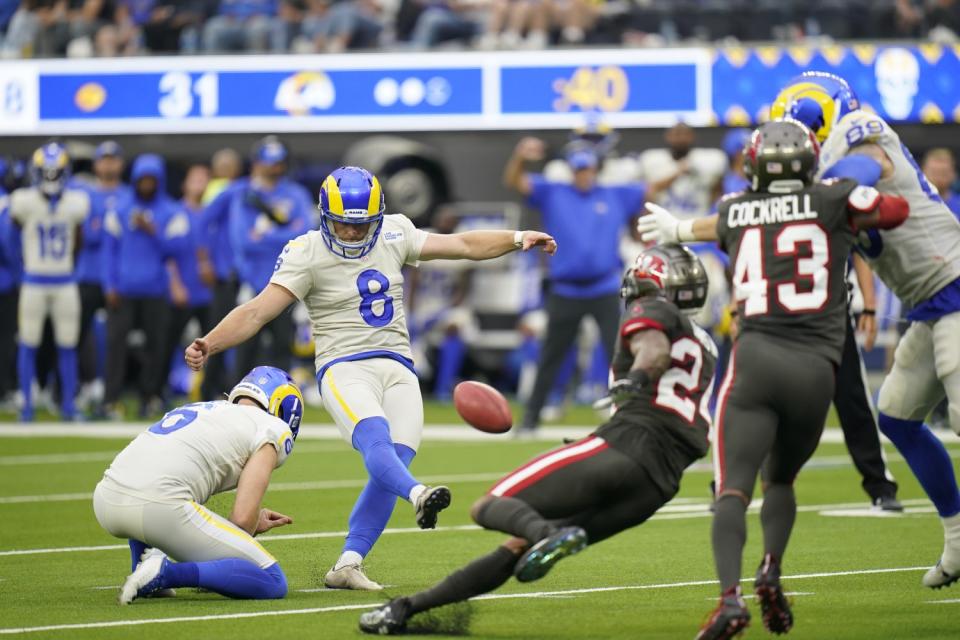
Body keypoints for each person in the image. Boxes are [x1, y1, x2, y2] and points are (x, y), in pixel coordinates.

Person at [185, 165, 556, 591]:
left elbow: (464, 245)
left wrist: (516, 238)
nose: (351, 235)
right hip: (344, 366)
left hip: (398, 365)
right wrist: (209, 343)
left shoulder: (395, 232)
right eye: (342, 224)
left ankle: (348, 563)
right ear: (325, 216)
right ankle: (418, 495)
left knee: (395, 460)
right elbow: (256, 311)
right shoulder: (306, 251)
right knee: (377, 442)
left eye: (361, 226)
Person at [637, 119, 910, 639]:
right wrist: (856, 187)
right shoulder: (834, 198)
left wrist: (673, 229)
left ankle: (728, 600)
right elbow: (894, 212)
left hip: (758, 358)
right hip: (817, 369)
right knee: (781, 480)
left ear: (755, 163)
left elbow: (707, 227)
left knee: (734, 490)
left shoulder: (738, 208)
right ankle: (771, 569)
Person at [357, 243, 716, 635]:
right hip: (659, 483)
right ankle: (406, 611)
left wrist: (638, 377)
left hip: (625, 446)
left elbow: (654, 349)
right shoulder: (706, 345)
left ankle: (549, 533)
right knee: (516, 548)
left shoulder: (652, 311)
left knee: (490, 506)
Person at [772, 71, 960, 590]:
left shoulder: (858, 127)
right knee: (897, 418)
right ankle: (958, 538)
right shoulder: (819, 176)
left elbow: (871, 165)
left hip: (956, 283)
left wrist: (825, 188)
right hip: (928, 303)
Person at [92, 366, 302, 604]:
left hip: (106, 499)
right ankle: (164, 574)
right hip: (157, 507)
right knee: (273, 580)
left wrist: (252, 518)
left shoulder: (200, 408)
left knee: (160, 482)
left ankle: (141, 566)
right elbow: (243, 519)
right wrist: (249, 521)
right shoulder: (273, 428)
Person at [504, 137, 644, 435]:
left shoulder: (613, 194)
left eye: (588, 169)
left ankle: (633, 415)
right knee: (551, 357)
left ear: (596, 169)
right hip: (566, 289)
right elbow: (516, 181)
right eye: (579, 170)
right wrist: (520, 156)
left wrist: (680, 169)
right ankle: (530, 420)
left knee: (618, 353)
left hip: (603, 287)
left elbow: (651, 190)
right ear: (571, 171)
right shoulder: (554, 192)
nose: (585, 175)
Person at [201, 136, 312, 384]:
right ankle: (237, 401)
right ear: (256, 163)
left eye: (278, 162)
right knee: (244, 348)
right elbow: (243, 239)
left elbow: (305, 231)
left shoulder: (295, 193)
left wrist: (265, 234)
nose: (273, 167)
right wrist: (208, 259)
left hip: (287, 282)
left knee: (284, 346)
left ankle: (282, 400)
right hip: (249, 281)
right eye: (267, 162)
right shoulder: (242, 192)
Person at [10, 143, 90, 421]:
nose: (52, 178)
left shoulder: (77, 202)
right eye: (48, 172)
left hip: (64, 281)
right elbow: (11, 236)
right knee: (28, 342)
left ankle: (68, 404)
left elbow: (79, 240)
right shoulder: (23, 201)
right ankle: (26, 405)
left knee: (67, 343)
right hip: (34, 280)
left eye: (57, 173)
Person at [102, 153, 185, 418]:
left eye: (152, 179)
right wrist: (109, 286)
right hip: (124, 290)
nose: (146, 184)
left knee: (156, 348)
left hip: (156, 290)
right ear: (136, 180)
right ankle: (110, 399)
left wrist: (153, 230)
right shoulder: (120, 208)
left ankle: (150, 397)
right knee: (116, 346)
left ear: (159, 181)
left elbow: (177, 250)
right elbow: (109, 251)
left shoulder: (170, 211)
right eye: (143, 179)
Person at [74, 141, 132, 414]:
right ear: (97, 164)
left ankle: (108, 395)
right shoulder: (82, 193)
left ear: (120, 164)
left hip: (117, 280)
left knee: (114, 340)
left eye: (113, 159)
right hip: (86, 274)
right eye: (104, 159)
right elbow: (87, 235)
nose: (109, 164)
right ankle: (72, 391)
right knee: (73, 335)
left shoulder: (129, 194)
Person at [162, 164, 213, 400]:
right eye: (195, 179)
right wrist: (175, 284)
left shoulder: (211, 213)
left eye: (204, 180)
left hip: (207, 291)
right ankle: (159, 391)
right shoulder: (175, 212)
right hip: (184, 289)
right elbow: (168, 254)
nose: (199, 185)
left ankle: (209, 391)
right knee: (167, 341)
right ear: (185, 184)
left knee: (213, 343)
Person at [922, 147, 960, 216]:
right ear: (923, 173)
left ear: (953, 174)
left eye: (943, 173)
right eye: (934, 173)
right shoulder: (914, 204)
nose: (939, 178)